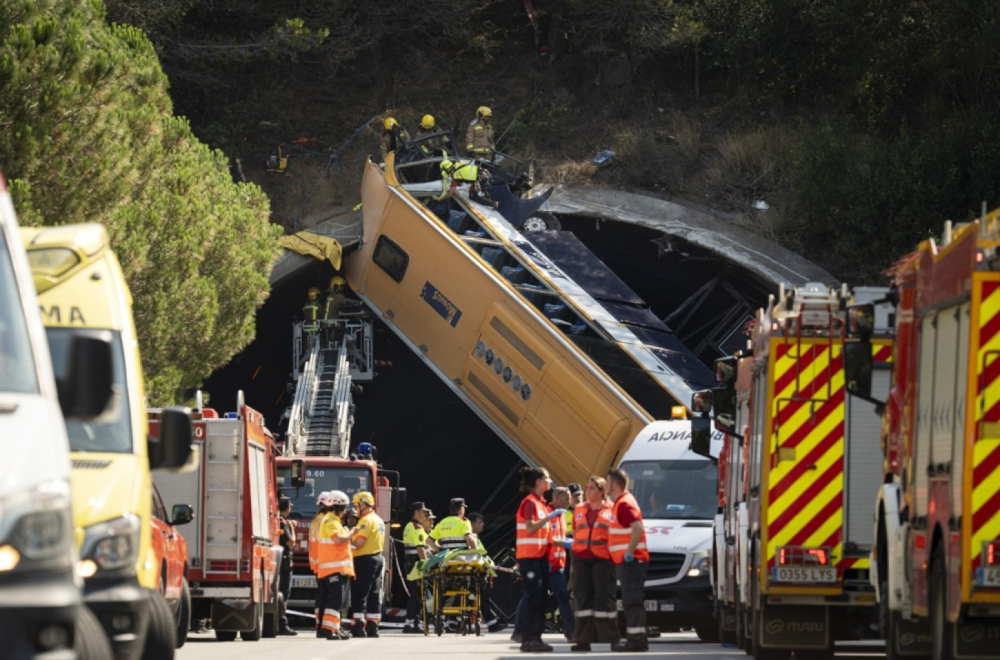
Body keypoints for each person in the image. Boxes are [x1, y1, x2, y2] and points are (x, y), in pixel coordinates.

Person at [569, 477, 619, 652]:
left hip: (603, 559)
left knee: (604, 598)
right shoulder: (579, 509)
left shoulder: (611, 510)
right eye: (587, 488)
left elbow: (616, 535)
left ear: (601, 491)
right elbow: (576, 534)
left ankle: (612, 638)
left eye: (591, 488)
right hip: (581, 558)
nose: (588, 492)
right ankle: (582, 640)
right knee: (582, 599)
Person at [515, 466, 560, 653]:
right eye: (547, 478)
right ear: (539, 482)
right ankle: (529, 638)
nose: (550, 481)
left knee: (540, 597)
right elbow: (531, 527)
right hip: (529, 557)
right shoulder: (530, 503)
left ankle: (535, 637)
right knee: (534, 597)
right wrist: (550, 516)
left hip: (539, 556)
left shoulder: (540, 503)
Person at [606, 467, 649, 652]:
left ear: (615, 484)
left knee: (632, 601)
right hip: (629, 561)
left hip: (630, 561)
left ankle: (637, 640)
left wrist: (629, 552)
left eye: (607, 482)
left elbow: (637, 528)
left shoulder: (623, 503)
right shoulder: (623, 502)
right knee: (632, 600)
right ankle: (636, 639)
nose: (605, 485)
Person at [317, 490, 361, 640]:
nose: (344, 512)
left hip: (336, 567)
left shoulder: (333, 520)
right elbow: (338, 539)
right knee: (335, 599)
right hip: (333, 567)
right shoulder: (330, 521)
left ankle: (334, 629)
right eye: (343, 508)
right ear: (338, 507)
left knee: (337, 599)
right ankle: (329, 629)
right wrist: (352, 532)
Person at [350, 491, 386, 637]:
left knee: (359, 593)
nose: (355, 508)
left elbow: (359, 542)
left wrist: (348, 537)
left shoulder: (365, 521)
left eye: (356, 505)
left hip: (364, 560)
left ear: (363, 504)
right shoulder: (378, 519)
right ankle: (373, 626)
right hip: (377, 558)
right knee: (374, 593)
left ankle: (358, 626)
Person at [468, 512, 507, 634]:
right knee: (481, 595)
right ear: (472, 523)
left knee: (483, 595)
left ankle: (491, 622)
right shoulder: (470, 538)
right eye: (480, 522)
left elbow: (483, 554)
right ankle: (491, 622)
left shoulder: (476, 538)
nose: (483, 524)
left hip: (478, 571)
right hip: (472, 572)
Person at [547, 487, 575, 642]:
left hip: (558, 565)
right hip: (544, 564)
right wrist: (567, 542)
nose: (569, 502)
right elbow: (548, 539)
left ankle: (571, 631)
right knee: (532, 597)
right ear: (557, 498)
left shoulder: (562, 516)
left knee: (563, 597)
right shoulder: (548, 514)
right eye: (566, 498)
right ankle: (522, 630)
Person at [402, 501, 430, 634]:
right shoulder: (416, 527)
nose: (425, 514)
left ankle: (409, 622)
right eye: (423, 512)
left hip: (409, 563)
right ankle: (414, 623)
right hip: (416, 565)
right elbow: (420, 548)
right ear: (417, 512)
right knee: (417, 594)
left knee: (414, 594)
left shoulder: (409, 526)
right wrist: (426, 564)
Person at [308, 492, 330, 637]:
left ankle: (319, 625)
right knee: (329, 596)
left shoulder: (315, 520)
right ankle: (326, 627)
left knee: (321, 595)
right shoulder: (326, 521)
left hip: (317, 564)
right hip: (327, 563)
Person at [277, 497, 298, 635]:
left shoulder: (277, 520)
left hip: (279, 562)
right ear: (288, 508)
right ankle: (282, 624)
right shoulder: (283, 523)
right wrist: (292, 527)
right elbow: (291, 542)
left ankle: (278, 623)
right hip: (284, 564)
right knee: (284, 594)